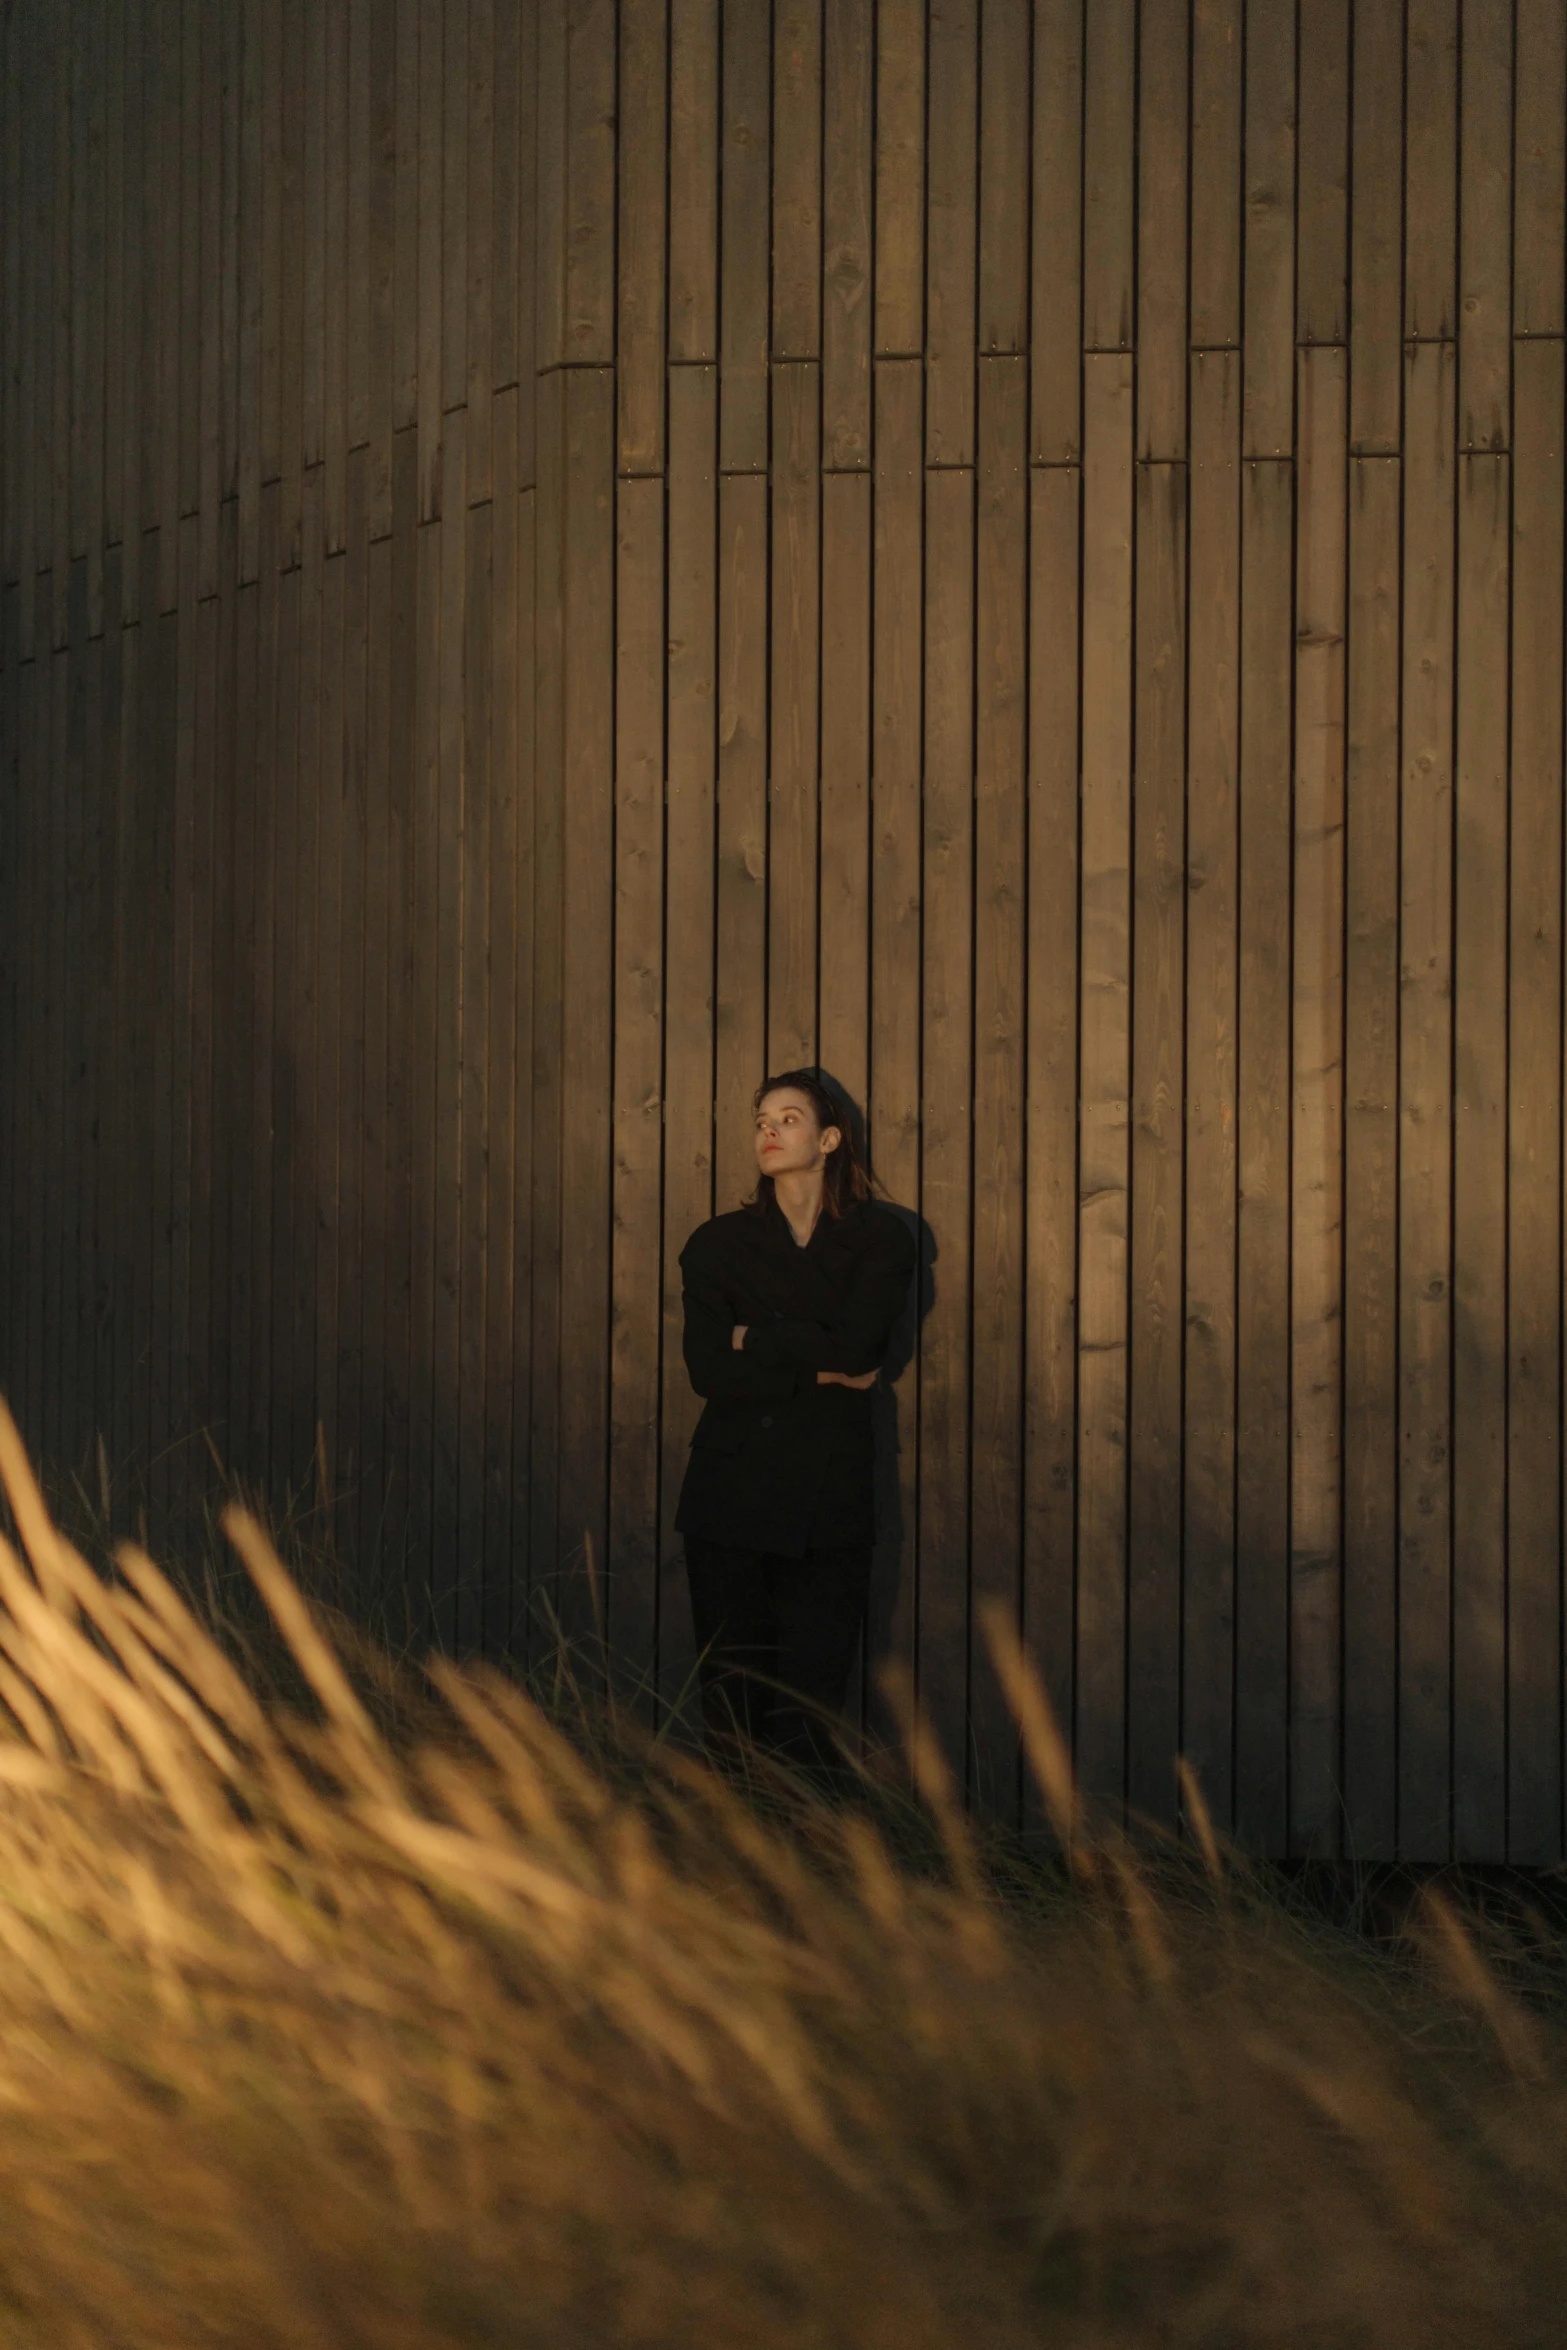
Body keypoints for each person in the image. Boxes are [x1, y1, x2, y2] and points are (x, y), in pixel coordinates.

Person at [674, 1068, 916, 1786]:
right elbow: (708, 1371)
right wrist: (814, 1361)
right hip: (729, 1494)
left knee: (811, 1704)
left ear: (830, 1138)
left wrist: (758, 1334)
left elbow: (859, 1348)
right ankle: (728, 1870)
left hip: (829, 1495)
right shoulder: (716, 1244)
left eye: (787, 1119)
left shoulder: (881, 1237)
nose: (768, 1133)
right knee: (731, 1701)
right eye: (760, 1121)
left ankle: (804, 1867)